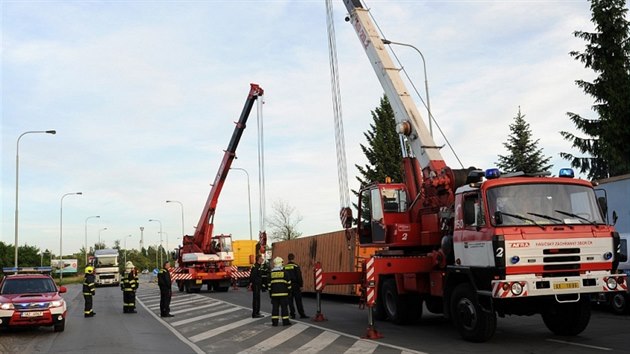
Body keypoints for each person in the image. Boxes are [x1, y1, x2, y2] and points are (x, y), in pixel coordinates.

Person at [268, 256, 291, 327]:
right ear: (281, 263)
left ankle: (275, 323)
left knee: (275, 308)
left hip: (274, 295)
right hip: (284, 294)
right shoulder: (285, 273)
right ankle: (285, 322)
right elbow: (289, 284)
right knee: (284, 308)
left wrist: (270, 294)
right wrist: (289, 293)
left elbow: (269, 286)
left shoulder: (271, 274)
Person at [284, 253, 308, 319]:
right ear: (293, 258)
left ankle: (292, 314)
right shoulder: (296, 266)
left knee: (290, 301)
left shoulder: (285, 267)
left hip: (288, 285)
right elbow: (299, 276)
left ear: (288, 258)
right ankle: (302, 314)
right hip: (296, 285)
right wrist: (301, 285)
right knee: (298, 300)